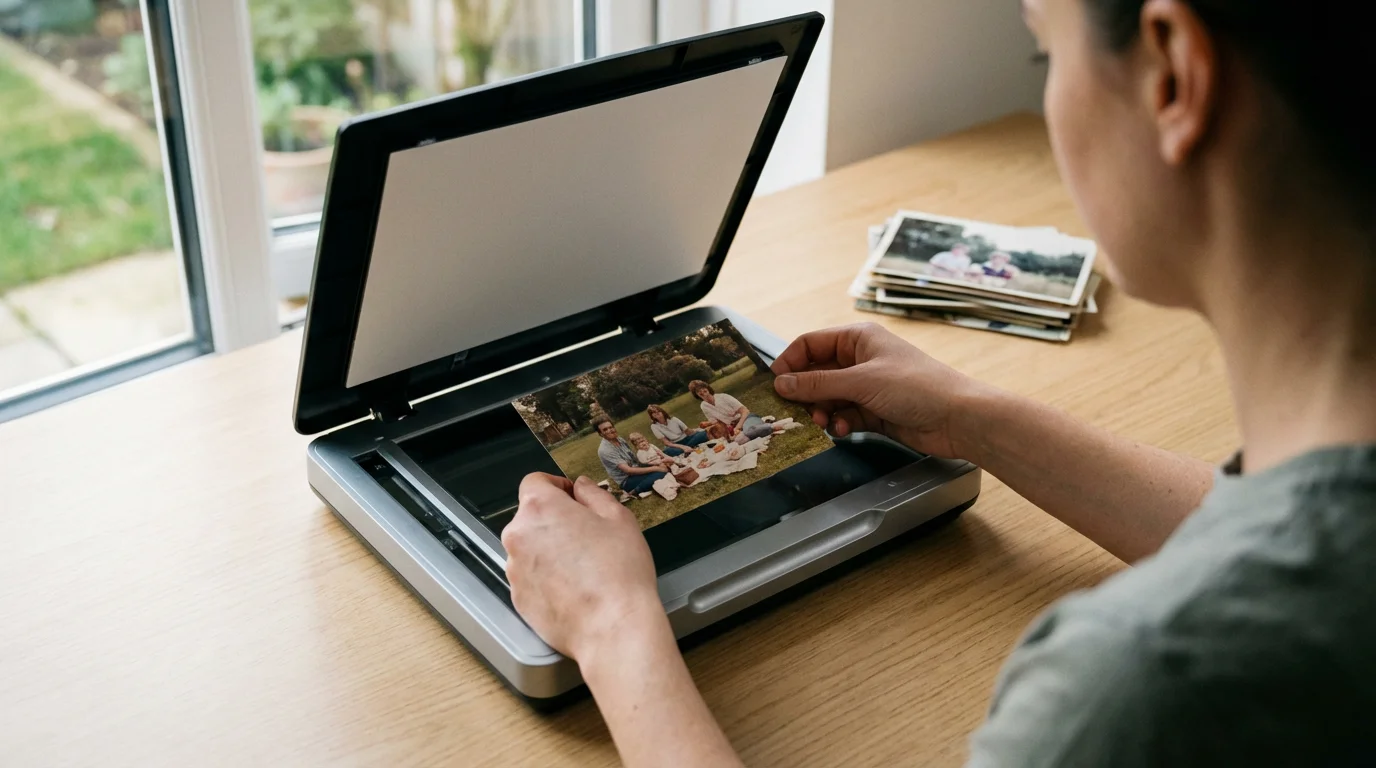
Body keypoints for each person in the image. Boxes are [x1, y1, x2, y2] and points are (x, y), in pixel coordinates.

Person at [500, 0, 1376, 764]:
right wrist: (975, 420)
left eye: (1047, 45)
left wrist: (614, 628)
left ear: (1173, 78)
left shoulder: (1142, 687)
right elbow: (1299, 541)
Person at [593, 417, 668, 497]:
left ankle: (653, 479)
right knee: (661, 472)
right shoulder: (605, 450)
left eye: (611, 427)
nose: (610, 430)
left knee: (667, 458)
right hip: (628, 480)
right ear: (600, 434)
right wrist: (655, 468)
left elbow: (635, 460)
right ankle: (635, 491)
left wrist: (653, 461)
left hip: (636, 469)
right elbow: (628, 471)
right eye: (605, 430)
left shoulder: (619, 439)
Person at [688, 379, 781, 441]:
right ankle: (761, 429)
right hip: (733, 427)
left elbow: (745, 411)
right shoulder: (703, 406)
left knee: (749, 431)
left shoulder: (723, 397)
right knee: (738, 440)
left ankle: (775, 426)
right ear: (697, 395)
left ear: (707, 388)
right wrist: (728, 436)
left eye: (703, 389)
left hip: (746, 418)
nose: (702, 392)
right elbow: (718, 423)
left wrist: (738, 427)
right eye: (698, 392)